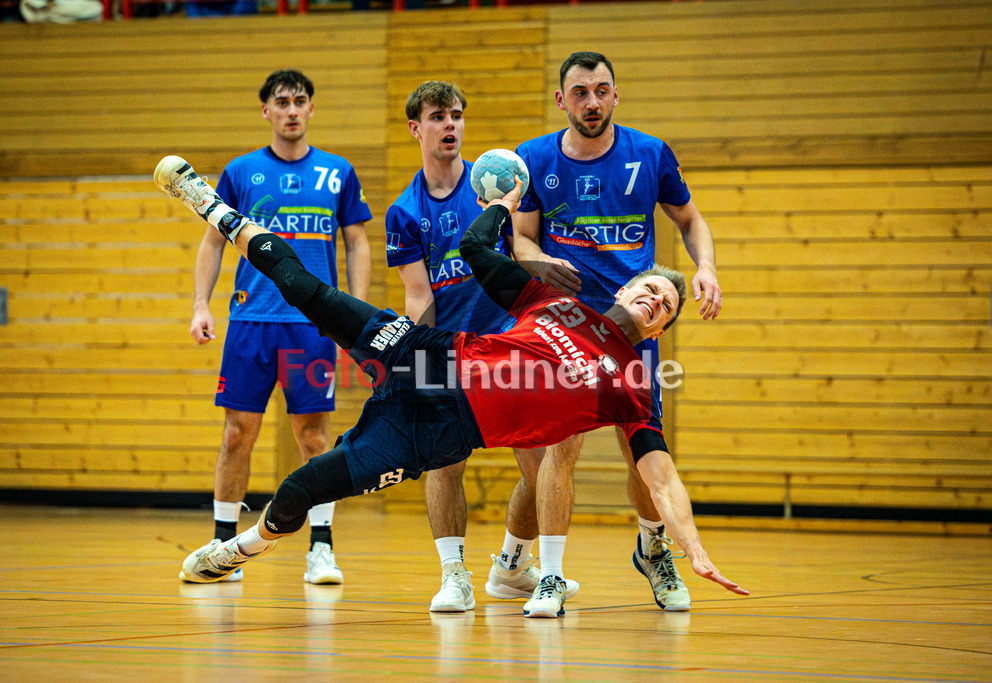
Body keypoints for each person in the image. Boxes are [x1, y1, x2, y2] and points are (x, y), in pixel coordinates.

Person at [155, 153, 748, 618]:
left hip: (438, 429)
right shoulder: (555, 301)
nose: (653, 298)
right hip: (427, 354)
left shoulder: (631, 386)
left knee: (303, 487)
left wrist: (692, 543)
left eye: (665, 304)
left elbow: (660, 475)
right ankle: (215, 208)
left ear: (661, 326)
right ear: (624, 291)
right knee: (308, 291)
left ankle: (250, 543)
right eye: (649, 287)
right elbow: (471, 248)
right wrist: (503, 206)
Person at [511, 51, 723, 612]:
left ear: (616, 96)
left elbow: (690, 220)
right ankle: (551, 576)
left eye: (602, 90)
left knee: (641, 454)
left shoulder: (649, 154)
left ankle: (654, 552)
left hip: (636, 331)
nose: (592, 102)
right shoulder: (533, 160)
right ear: (562, 100)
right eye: (580, 92)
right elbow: (522, 239)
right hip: (567, 329)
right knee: (562, 450)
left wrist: (705, 267)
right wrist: (537, 264)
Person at [386, 81, 578, 612]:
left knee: (541, 466)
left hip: (509, 342)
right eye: (437, 117)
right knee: (445, 463)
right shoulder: (405, 210)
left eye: (456, 115)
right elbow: (418, 293)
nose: (449, 125)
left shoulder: (496, 179)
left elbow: (517, 243)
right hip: (448, 347)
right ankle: (453, 577)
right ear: (415, 128)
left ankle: (513, 567)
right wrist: (416, 359)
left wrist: (540, 265)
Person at [185, 69, 372, 586]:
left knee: (313, 436)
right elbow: (213, 241)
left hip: (311, 327)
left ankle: (321, 550)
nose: (292, 110)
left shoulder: (337, 173)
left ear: (312, 110)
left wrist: (354, 313)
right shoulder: (240, 172)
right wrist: (201, 304)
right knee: (236, 436)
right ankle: (224, 546)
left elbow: (356, 243)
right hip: (250, 321)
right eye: (282, 101)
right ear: (265, 110)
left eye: (300, 101)